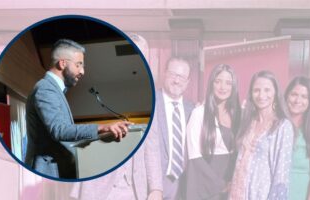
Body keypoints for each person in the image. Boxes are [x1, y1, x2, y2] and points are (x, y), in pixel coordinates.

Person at [70, 33, 163, 200]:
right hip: (99, 185)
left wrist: (156, 188)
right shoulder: (95, 88)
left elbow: (152, 144)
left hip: (134, 188)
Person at [24, 39, 132, 179]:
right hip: (47, 172)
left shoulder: (54, 90)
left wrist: (105, 135)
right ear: (62, 63)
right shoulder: (46, 88)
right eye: (78, 65)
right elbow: (60, 130)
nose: (82, 71)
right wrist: (102, 128)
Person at [229, 70, 293, 200]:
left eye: (267, 90)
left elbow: (281, 174)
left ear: (275, 93)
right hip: (238, 192)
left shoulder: (282, 126)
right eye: (256, 90)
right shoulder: (248, 122)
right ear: (251, 94)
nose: (261, 95)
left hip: (262, 194)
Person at [186, 64, 241, 200]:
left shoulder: (239, 114)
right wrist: (220, 185)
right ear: (211, 84)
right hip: (206, 185)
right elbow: (194, 157)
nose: (223, 87)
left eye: (228, 83)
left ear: (233, 87)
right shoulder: (199, 113)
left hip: (233, 184)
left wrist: (233, 183)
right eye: (218, 81)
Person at [154, 57, 194, 200]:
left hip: (183, 187)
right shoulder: (150, 103)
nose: (177, 81)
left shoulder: (193, 110)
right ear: (164, 74)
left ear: (188, 82)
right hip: (154, 186)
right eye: (173, 74)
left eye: (182, 77)